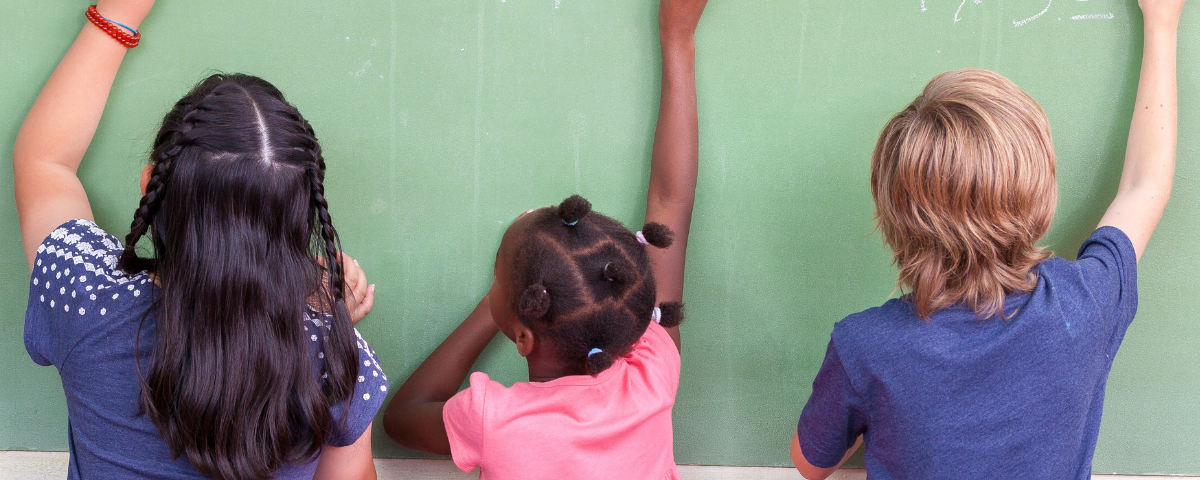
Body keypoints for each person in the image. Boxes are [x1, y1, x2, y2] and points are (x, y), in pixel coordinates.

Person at [789, 1, 1185, 479]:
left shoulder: (865, 346)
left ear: (891, 213)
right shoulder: (1084, 305)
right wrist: (1162, 23)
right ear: (1041, 198)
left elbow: (808, 465)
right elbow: (1145, 186)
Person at [13, 2, 384, 479]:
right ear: (300, 219)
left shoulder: (84, 298)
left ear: (151, 186)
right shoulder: (338, 361)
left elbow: (42, 161)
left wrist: (117, 16)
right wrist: (325, 326)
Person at [381, 0, 708, 477]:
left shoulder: (494, 421)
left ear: (524, 334)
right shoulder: (653, 373)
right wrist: (677, 39)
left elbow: (403, 417)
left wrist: (497, 302)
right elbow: (671, 203)